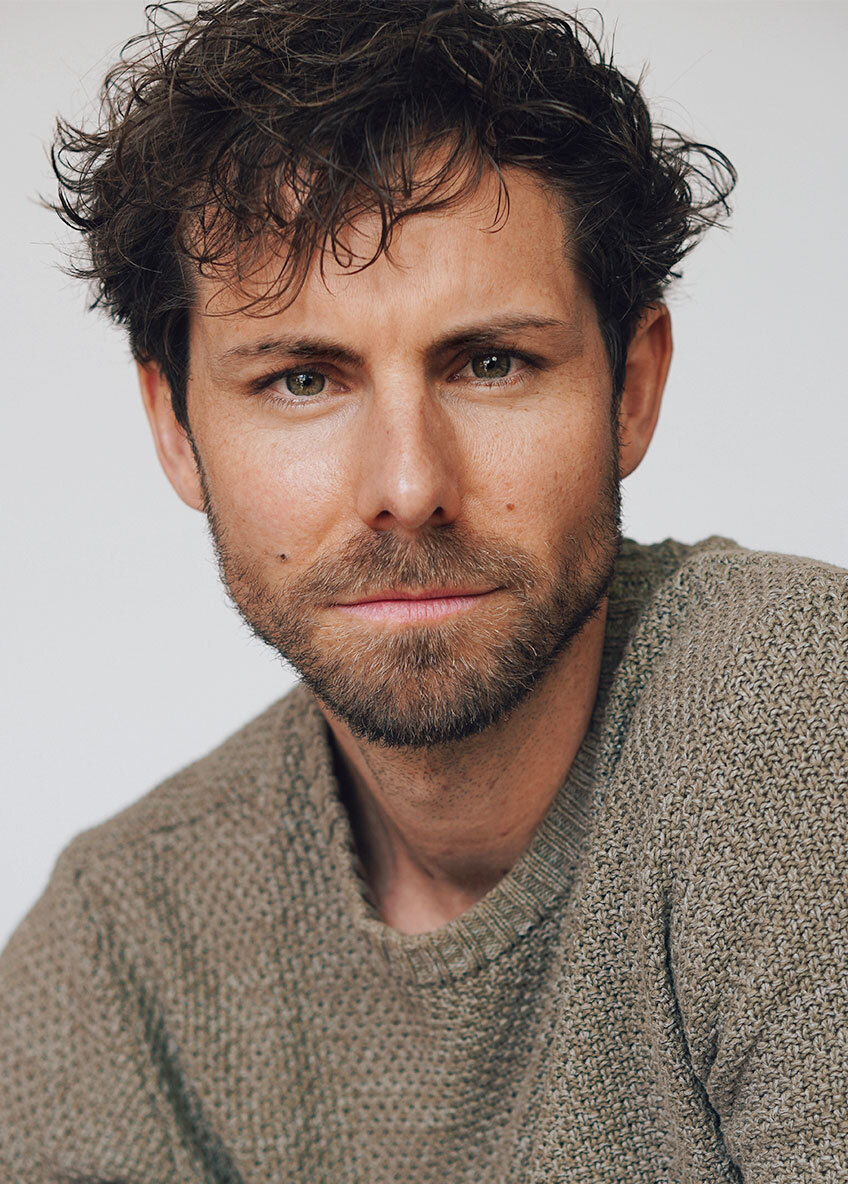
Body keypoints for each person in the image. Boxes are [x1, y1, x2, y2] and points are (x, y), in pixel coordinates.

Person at [1, 0, 845, 1179]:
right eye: (302, 379)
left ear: (632, 388)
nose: (407, 486)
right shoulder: (120, 951)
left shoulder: (794, 709)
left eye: (489, 362)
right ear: (175, 427)